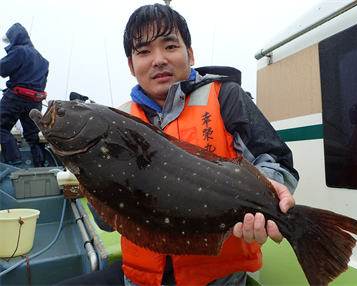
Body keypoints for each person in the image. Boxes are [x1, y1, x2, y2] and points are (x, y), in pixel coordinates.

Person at [54, 4, 298, 286]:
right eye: (143, 52)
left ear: (189, 54)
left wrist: (267, 189)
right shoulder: (117, 120)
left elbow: (277, 159)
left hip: (216, 278)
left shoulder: (225, 96)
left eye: (170, 46)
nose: (158, 60)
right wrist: (89, 173)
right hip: (138, 278)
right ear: (131, 66)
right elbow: (107, 223)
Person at [0, 23, 49, 167]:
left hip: (16, 97)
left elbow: (2, 69)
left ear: (15, 38)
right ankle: (40, 164)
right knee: (33, 135)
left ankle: (14, 159)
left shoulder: (19, 51)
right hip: (35, 101)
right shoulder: (42, 59)